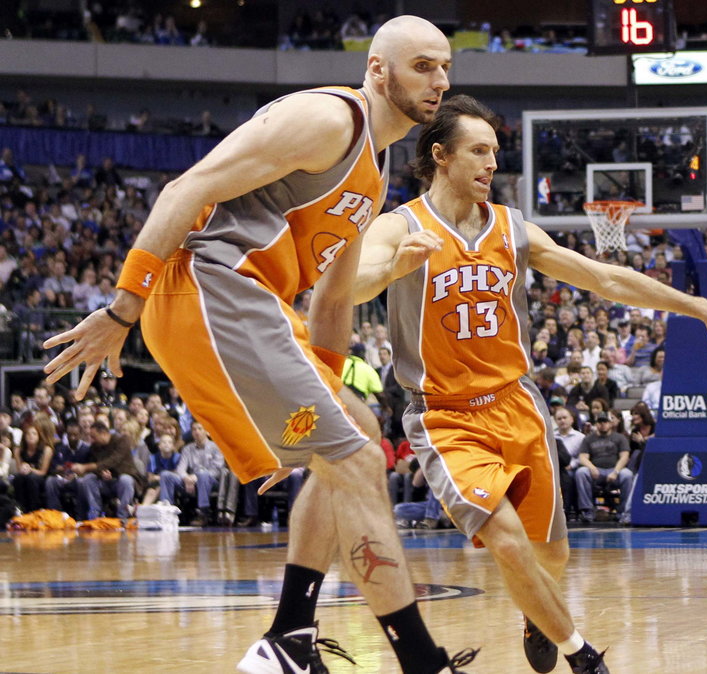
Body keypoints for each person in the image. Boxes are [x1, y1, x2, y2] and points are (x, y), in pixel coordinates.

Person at [41, 16, 474, 674]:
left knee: (352, 434)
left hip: (253, 305)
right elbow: (184, 188)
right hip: (207, 292)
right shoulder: (331, 120)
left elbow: (331, 299)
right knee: (355, 458)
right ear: (380, 70)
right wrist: (121, 309)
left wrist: (319, 392)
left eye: (444, 67)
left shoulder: (377, 172)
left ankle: (289, 640)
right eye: (423, 66)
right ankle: (421, 661)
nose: (439, 80)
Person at [354, 94, 707, 674]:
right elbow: (351, 286)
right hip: (444, 415)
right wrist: (393, 267)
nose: (492, 163)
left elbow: (602, 277)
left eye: (495, 152)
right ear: (440, 156)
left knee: (552, 553)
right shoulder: (401, 227)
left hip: (517, 404)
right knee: (506, 540)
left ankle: (536, 614)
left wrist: (698, 306)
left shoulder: (511, 228)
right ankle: (583, 655)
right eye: (479, 151)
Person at [573, 412, 634, 524]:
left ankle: (624, 513)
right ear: (596, 424)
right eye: (600, 422)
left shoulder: (620, 438)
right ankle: (587, 511)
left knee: (627, 474)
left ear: (610, 423)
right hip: (597, 471)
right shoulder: (589, 439)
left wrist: (616, 471)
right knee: (581, 472)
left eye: (605, 422)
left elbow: (625, 456)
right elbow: (582, 457)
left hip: (614, 470)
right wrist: (591, 467)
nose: (602, 424)